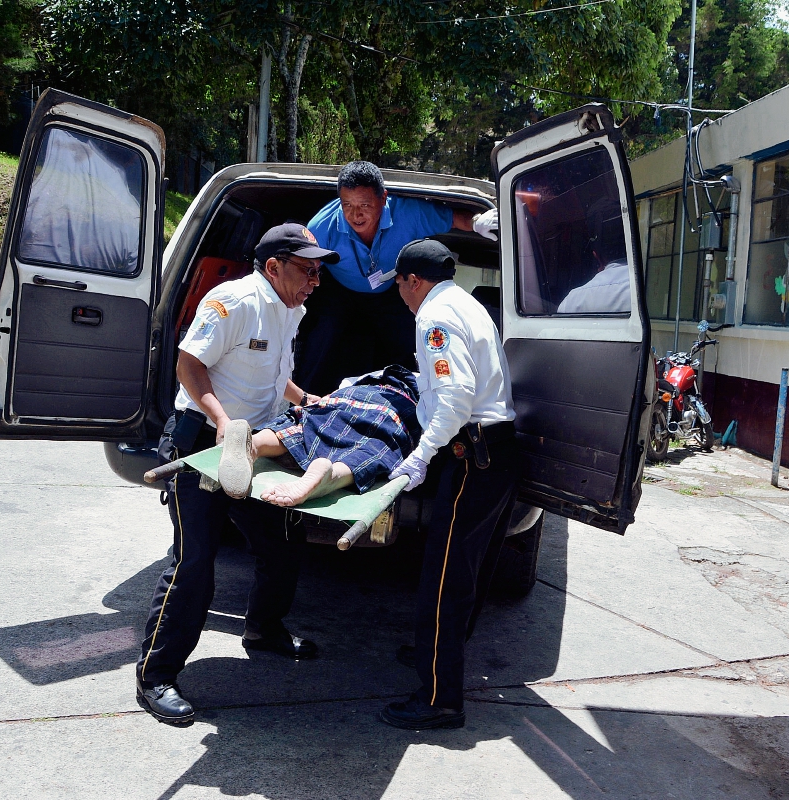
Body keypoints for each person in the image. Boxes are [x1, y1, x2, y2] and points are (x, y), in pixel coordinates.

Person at [136, 223, 339, 727]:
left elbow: (272, 372)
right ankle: (155, 675)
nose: (316, 279)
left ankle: (264, 629)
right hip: (205, 445)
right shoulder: (232, 302)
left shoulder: (290, 308)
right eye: (307, 269)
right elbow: (189, 365)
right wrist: (224, 422)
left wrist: (305, 400)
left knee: (282, 544)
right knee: (195, 562)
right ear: (274, 268)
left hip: (255, 447)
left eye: (319, 270)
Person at [379, 239, 518, 731]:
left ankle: (439, 698)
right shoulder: (469, 305)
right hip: (497, 449)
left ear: (413, 280)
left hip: (470, 455)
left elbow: (456, 396)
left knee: (443, 579)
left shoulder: (434, 317)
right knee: (467, 573)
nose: (400, 294)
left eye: (399, 284)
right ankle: (440, 656)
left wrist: (421, 455)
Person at [296, 161, 499, 395]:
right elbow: (305, 267)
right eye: (347, 205)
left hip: (390, 292)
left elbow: (453, 218)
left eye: (364, 205)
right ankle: (304, 403)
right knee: (321, 337)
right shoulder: (321, 227)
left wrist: (476, 223)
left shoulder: (408, 213)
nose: (355, 214)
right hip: (340, 292)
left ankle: (410, 400)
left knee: (406, 342)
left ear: (383, 198)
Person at [250, 364, 422, 507]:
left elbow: (340, 389)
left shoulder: (365, 378)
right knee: (374, 448)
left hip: (345, 397)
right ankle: (332, 477)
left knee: (305, 425)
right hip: (390, 413)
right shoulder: (425, 389)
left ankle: (256, 444)